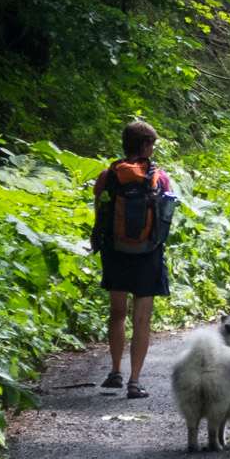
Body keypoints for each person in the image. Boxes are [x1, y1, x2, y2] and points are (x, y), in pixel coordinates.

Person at [90, 120, 179, 398]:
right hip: (148, 253)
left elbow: (99, 213)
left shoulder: (108, 175)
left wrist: (99, 241)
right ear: (144, 146)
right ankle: (135, 381)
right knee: (142, 320)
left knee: (117, 314)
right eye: (151, 143)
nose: (152, 148)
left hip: (115, 251)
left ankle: (115, 372)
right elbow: (166, 216)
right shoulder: (159, 177)